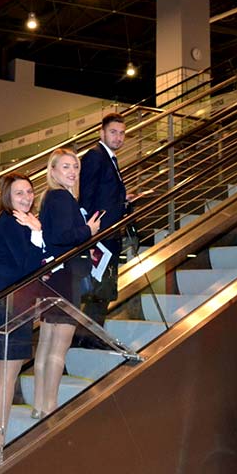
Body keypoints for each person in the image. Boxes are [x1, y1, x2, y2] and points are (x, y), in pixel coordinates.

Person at [0, 173, 45, 458]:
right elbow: (27, 267)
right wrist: (37, 233)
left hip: (8, 301)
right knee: (6, 376)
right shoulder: (14, 222)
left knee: (0, 375)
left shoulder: (13, 221)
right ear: (7, 196)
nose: (26, 197)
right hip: (12, 303)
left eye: (29, 191)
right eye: (19, 193)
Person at [34, 148, 102, 418]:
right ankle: (49, 406)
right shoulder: (62, 197)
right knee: (58, 347)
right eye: (65, 167)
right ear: (52, 171)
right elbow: (63, 236)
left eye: (75, 167)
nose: (72, 172)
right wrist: (88, 230)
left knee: (46, 343)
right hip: (65, 277)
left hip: (53, 276)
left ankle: (39, 405)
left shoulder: (50, 197)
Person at [78, 113, 137, 330]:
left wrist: (122, 199)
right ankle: (88, 336)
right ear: (101, 132)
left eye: (122, 133)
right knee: (99, 290)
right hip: (101, 236)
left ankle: (91, 335)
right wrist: (89, 233)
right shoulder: (96, 156)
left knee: (104, 289)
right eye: (113, 132)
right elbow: (87, 195)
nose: (118, 137)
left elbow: (102, 192)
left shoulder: (109, 157)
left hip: (108, 234)